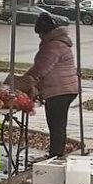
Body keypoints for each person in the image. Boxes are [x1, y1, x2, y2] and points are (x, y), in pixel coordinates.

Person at [24, 12, 79, 158]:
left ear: (46, 32)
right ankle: (57, 153)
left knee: (56, 125)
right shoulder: (60, 42)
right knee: (59, 124)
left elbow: (40, 69)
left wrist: (22, 82)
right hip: (68, 88)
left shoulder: (52, 46)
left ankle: (55, 156)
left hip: (58, 91)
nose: (39, 37)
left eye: (40, 33)